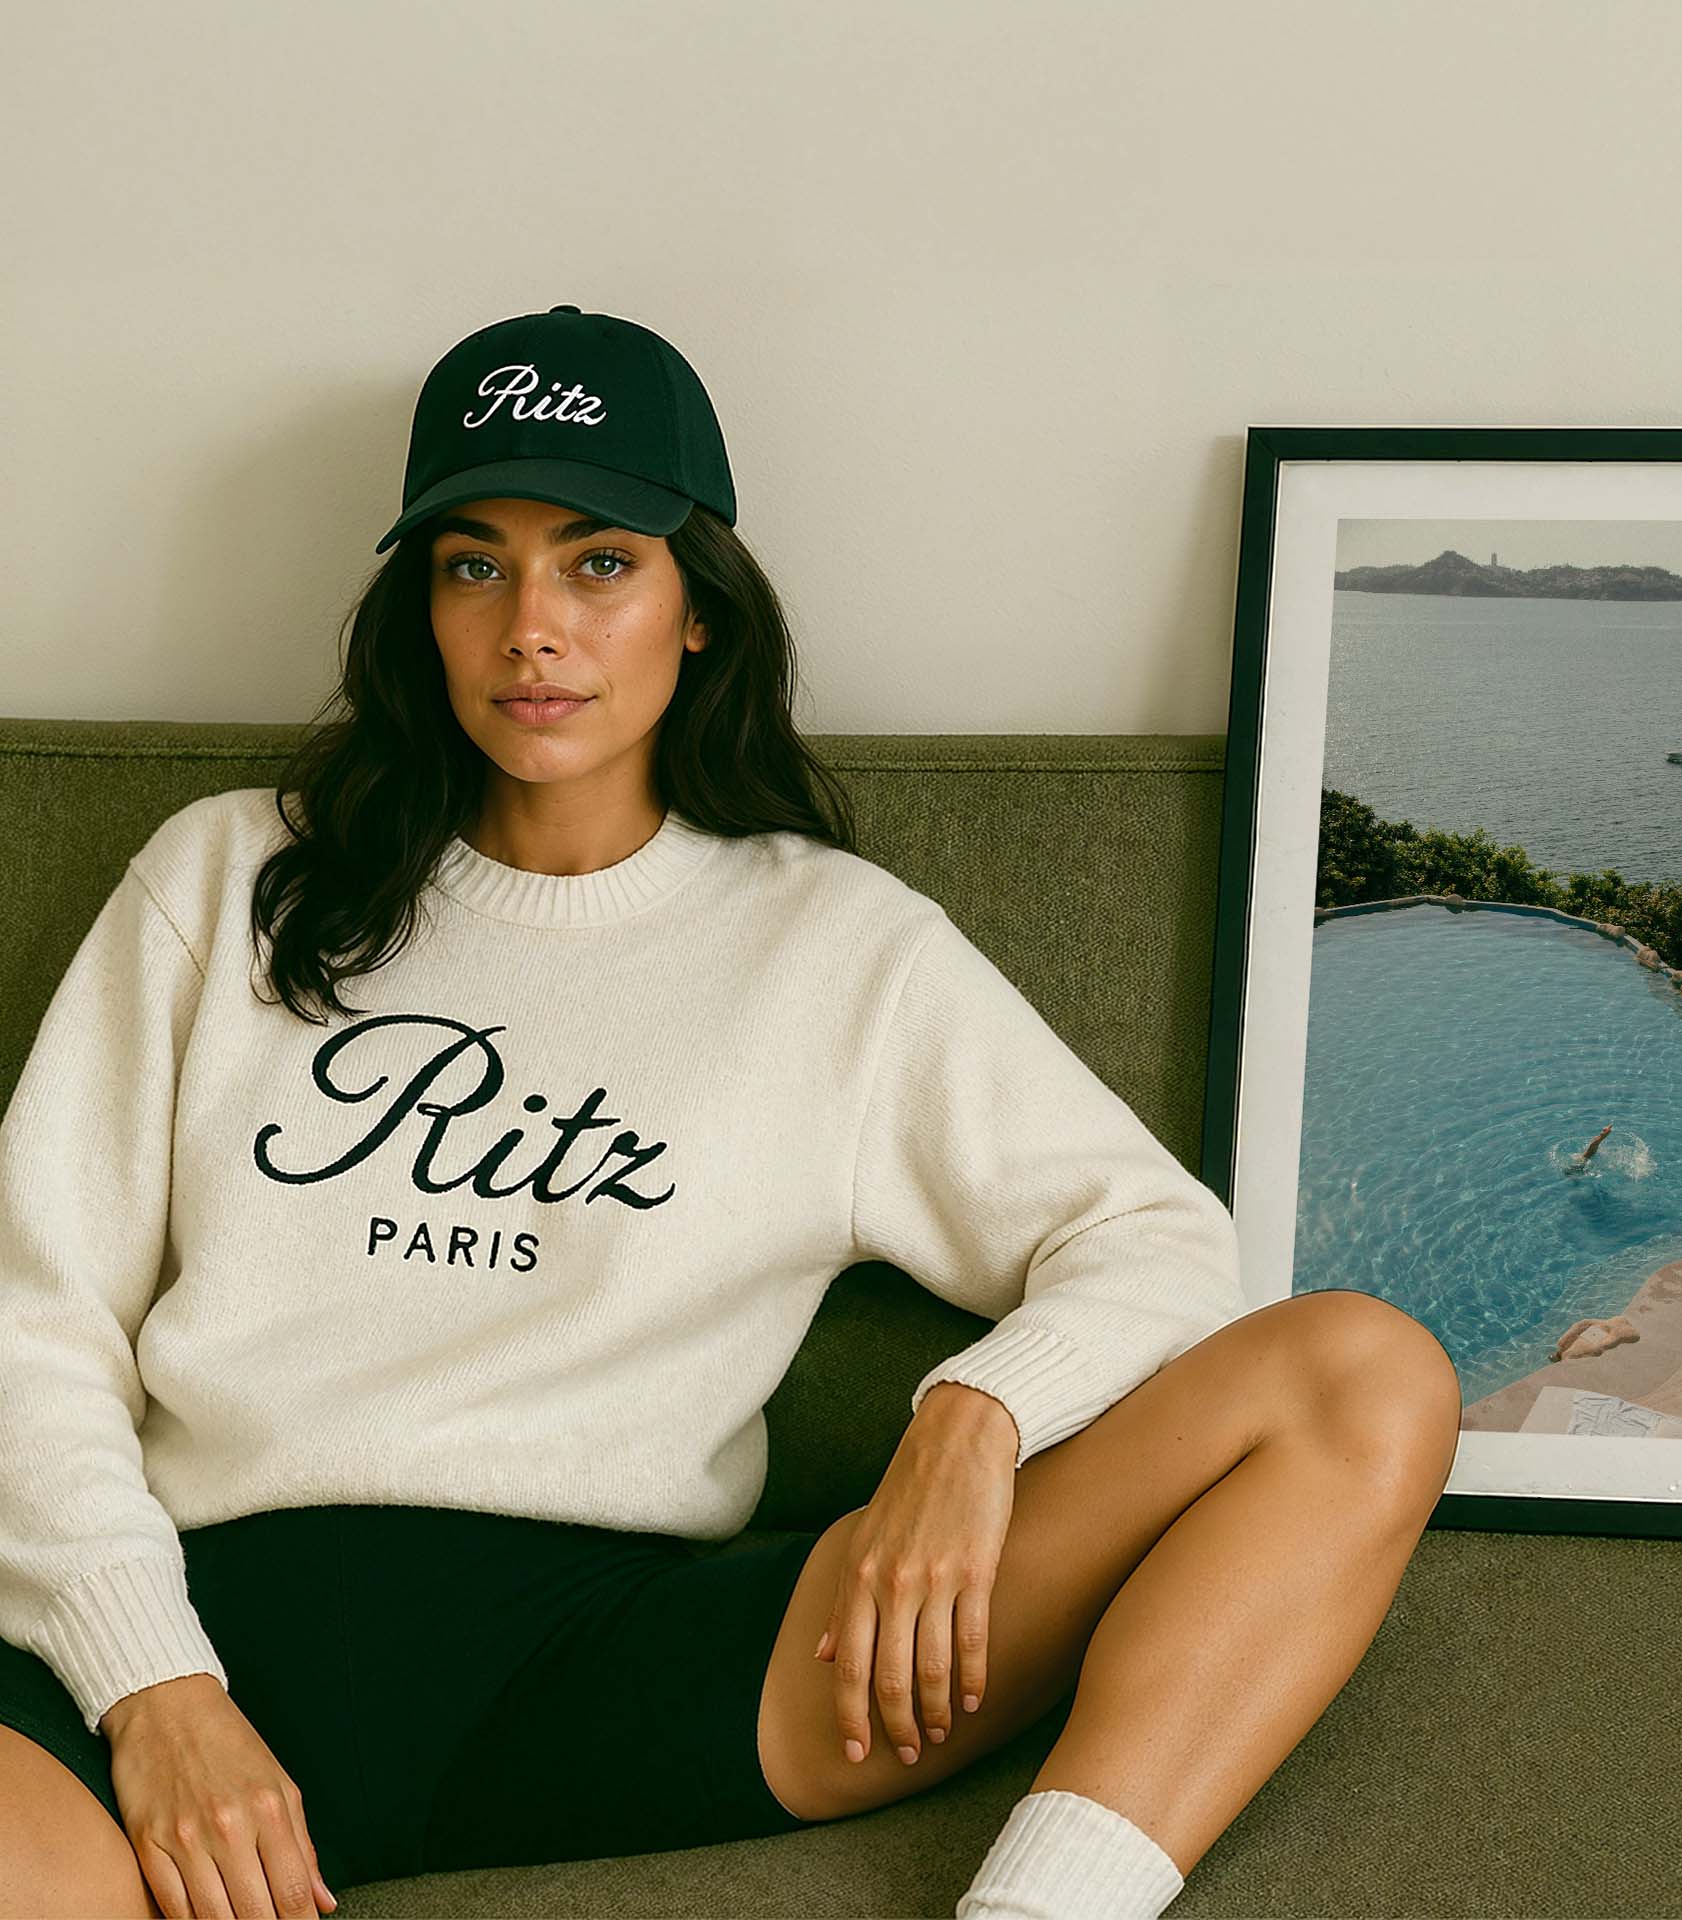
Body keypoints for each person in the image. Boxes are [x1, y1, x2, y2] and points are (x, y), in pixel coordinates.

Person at [0, 304, 1464, 1920]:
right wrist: (155, 1688)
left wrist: (967, 1422)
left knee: (1357, 1369)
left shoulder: (833, 948)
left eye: (598, 561)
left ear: (699, 603)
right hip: (192, 1621)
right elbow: (31, 1318)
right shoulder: (231, 875)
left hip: (620, 1657)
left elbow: (1155, 1238)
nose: (530, 626)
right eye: (473, 563)